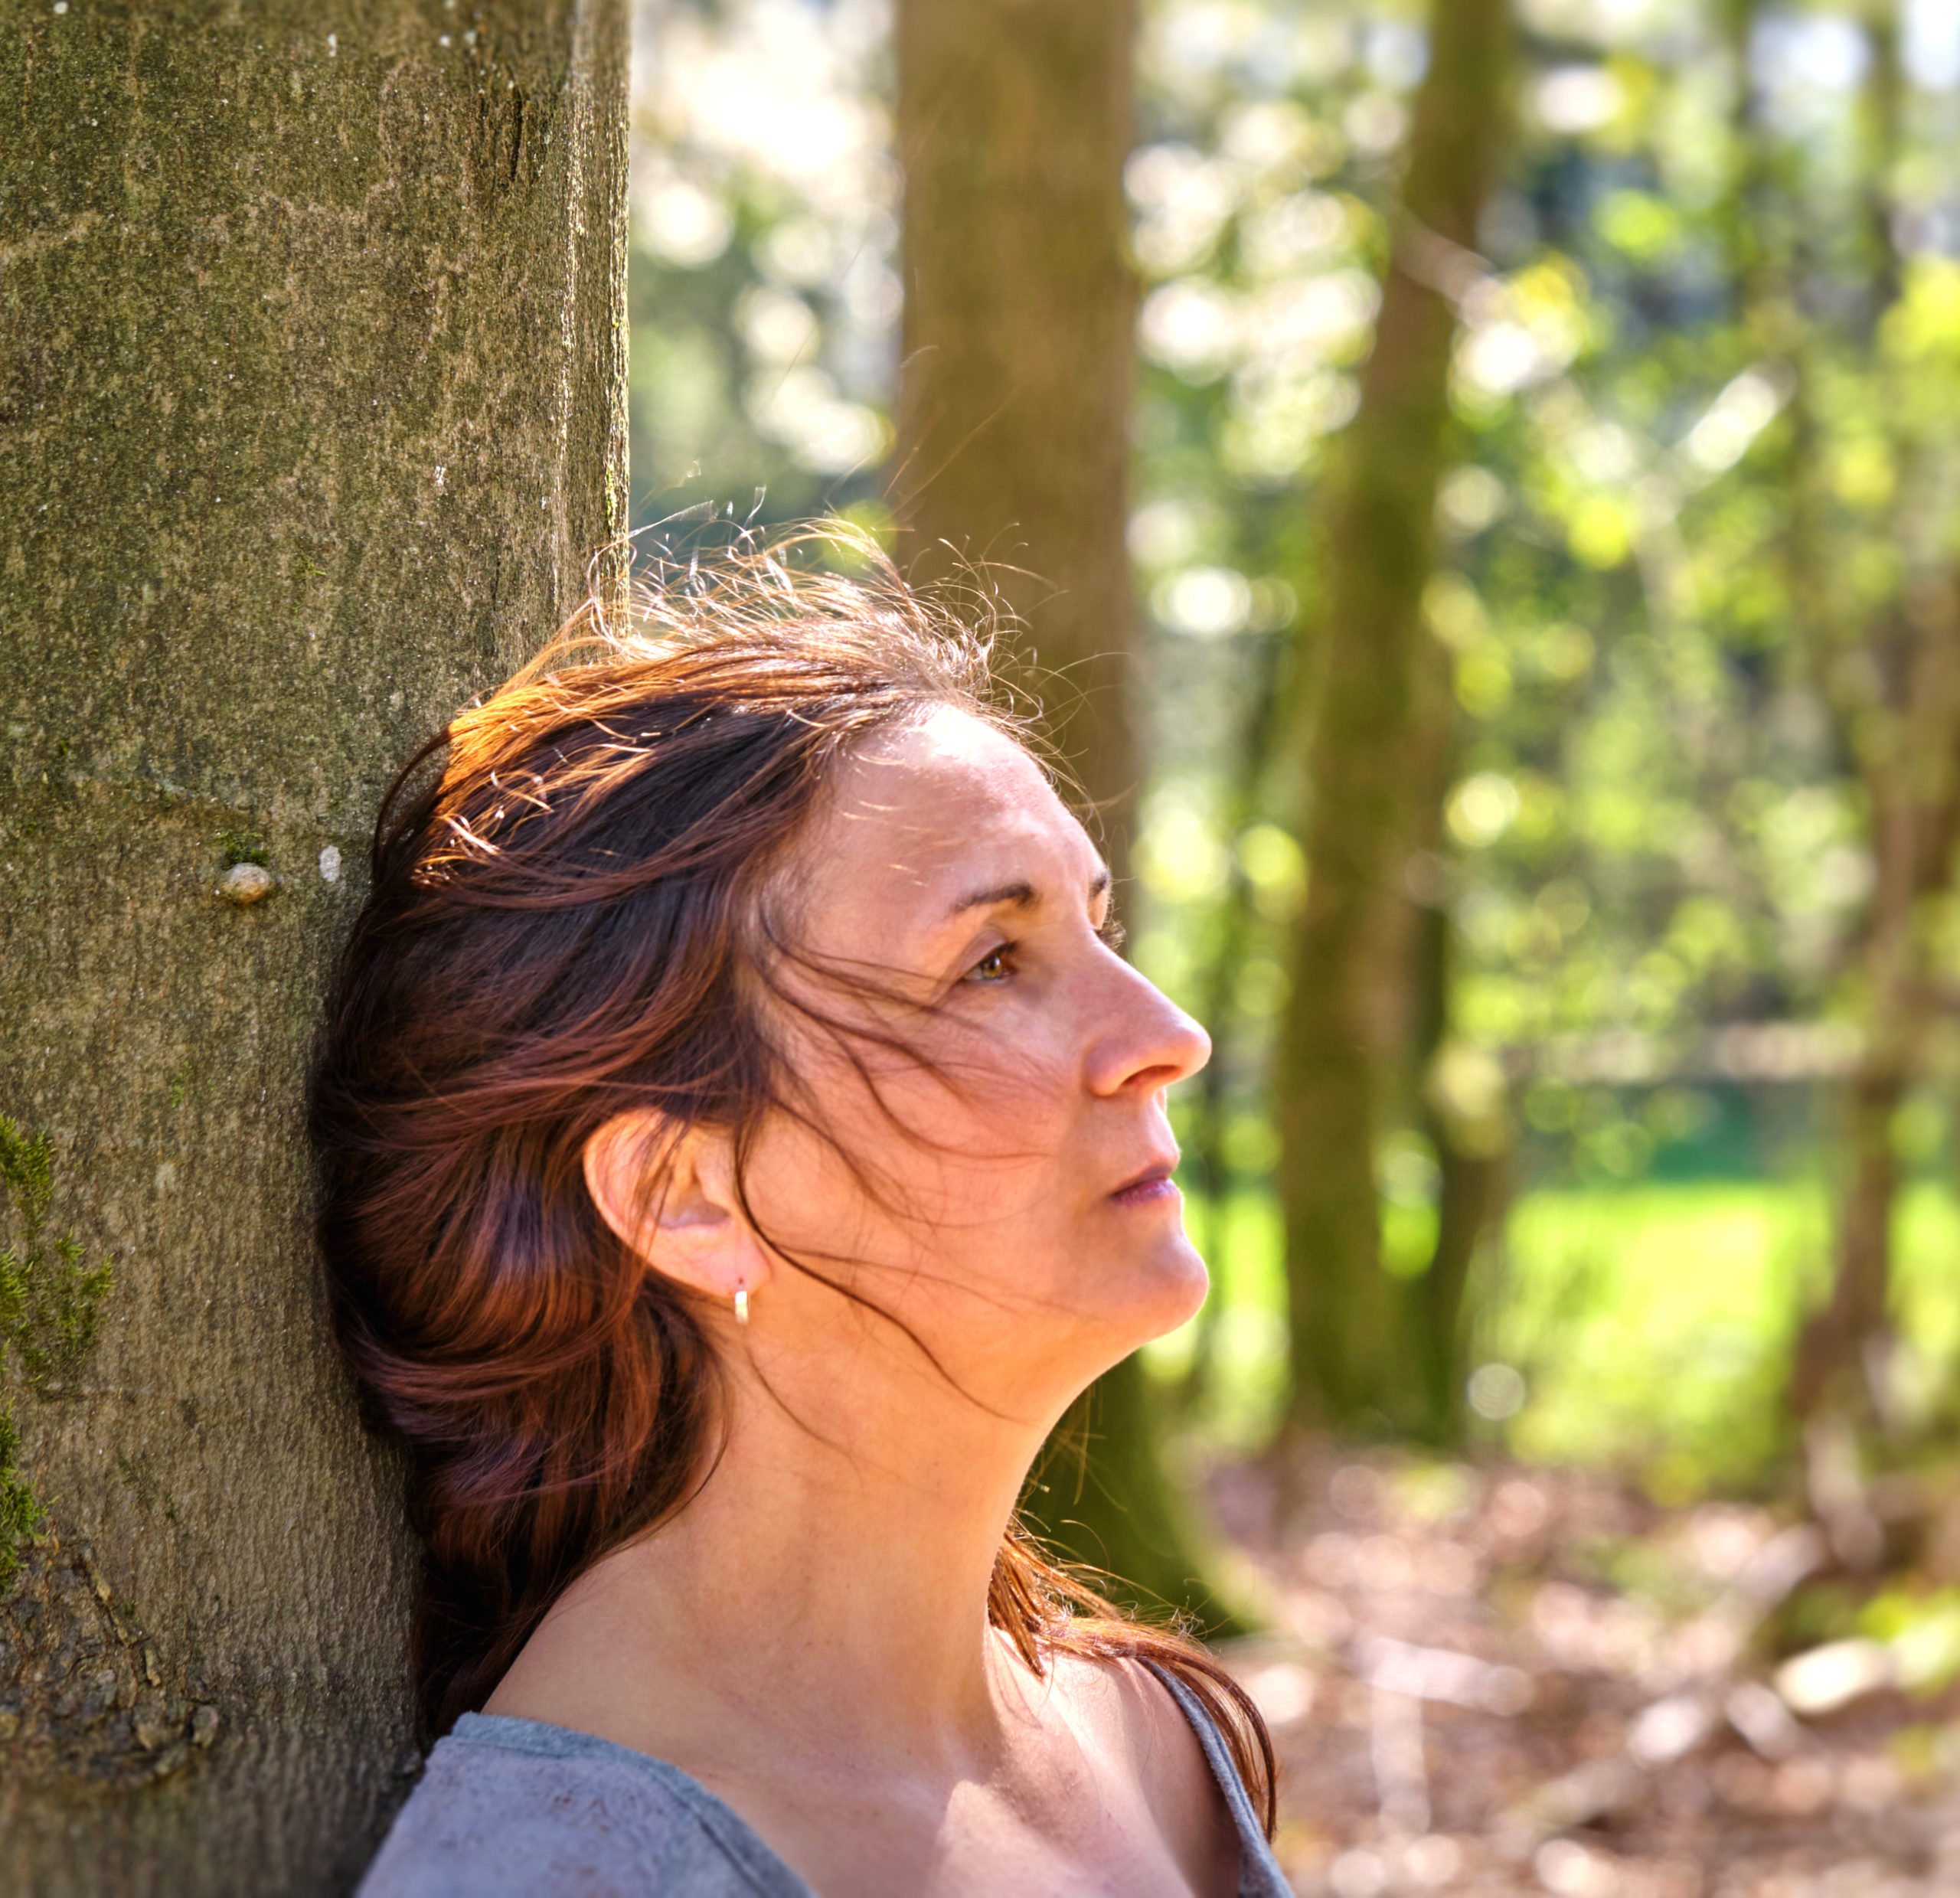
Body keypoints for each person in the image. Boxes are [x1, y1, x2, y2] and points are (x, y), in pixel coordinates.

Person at [310, 533, 1289, 1896]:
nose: (1166, 1034)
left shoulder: (1157, 1749)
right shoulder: (555, 1875)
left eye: (1096, 930)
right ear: (683, 1196)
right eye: (992, 962)